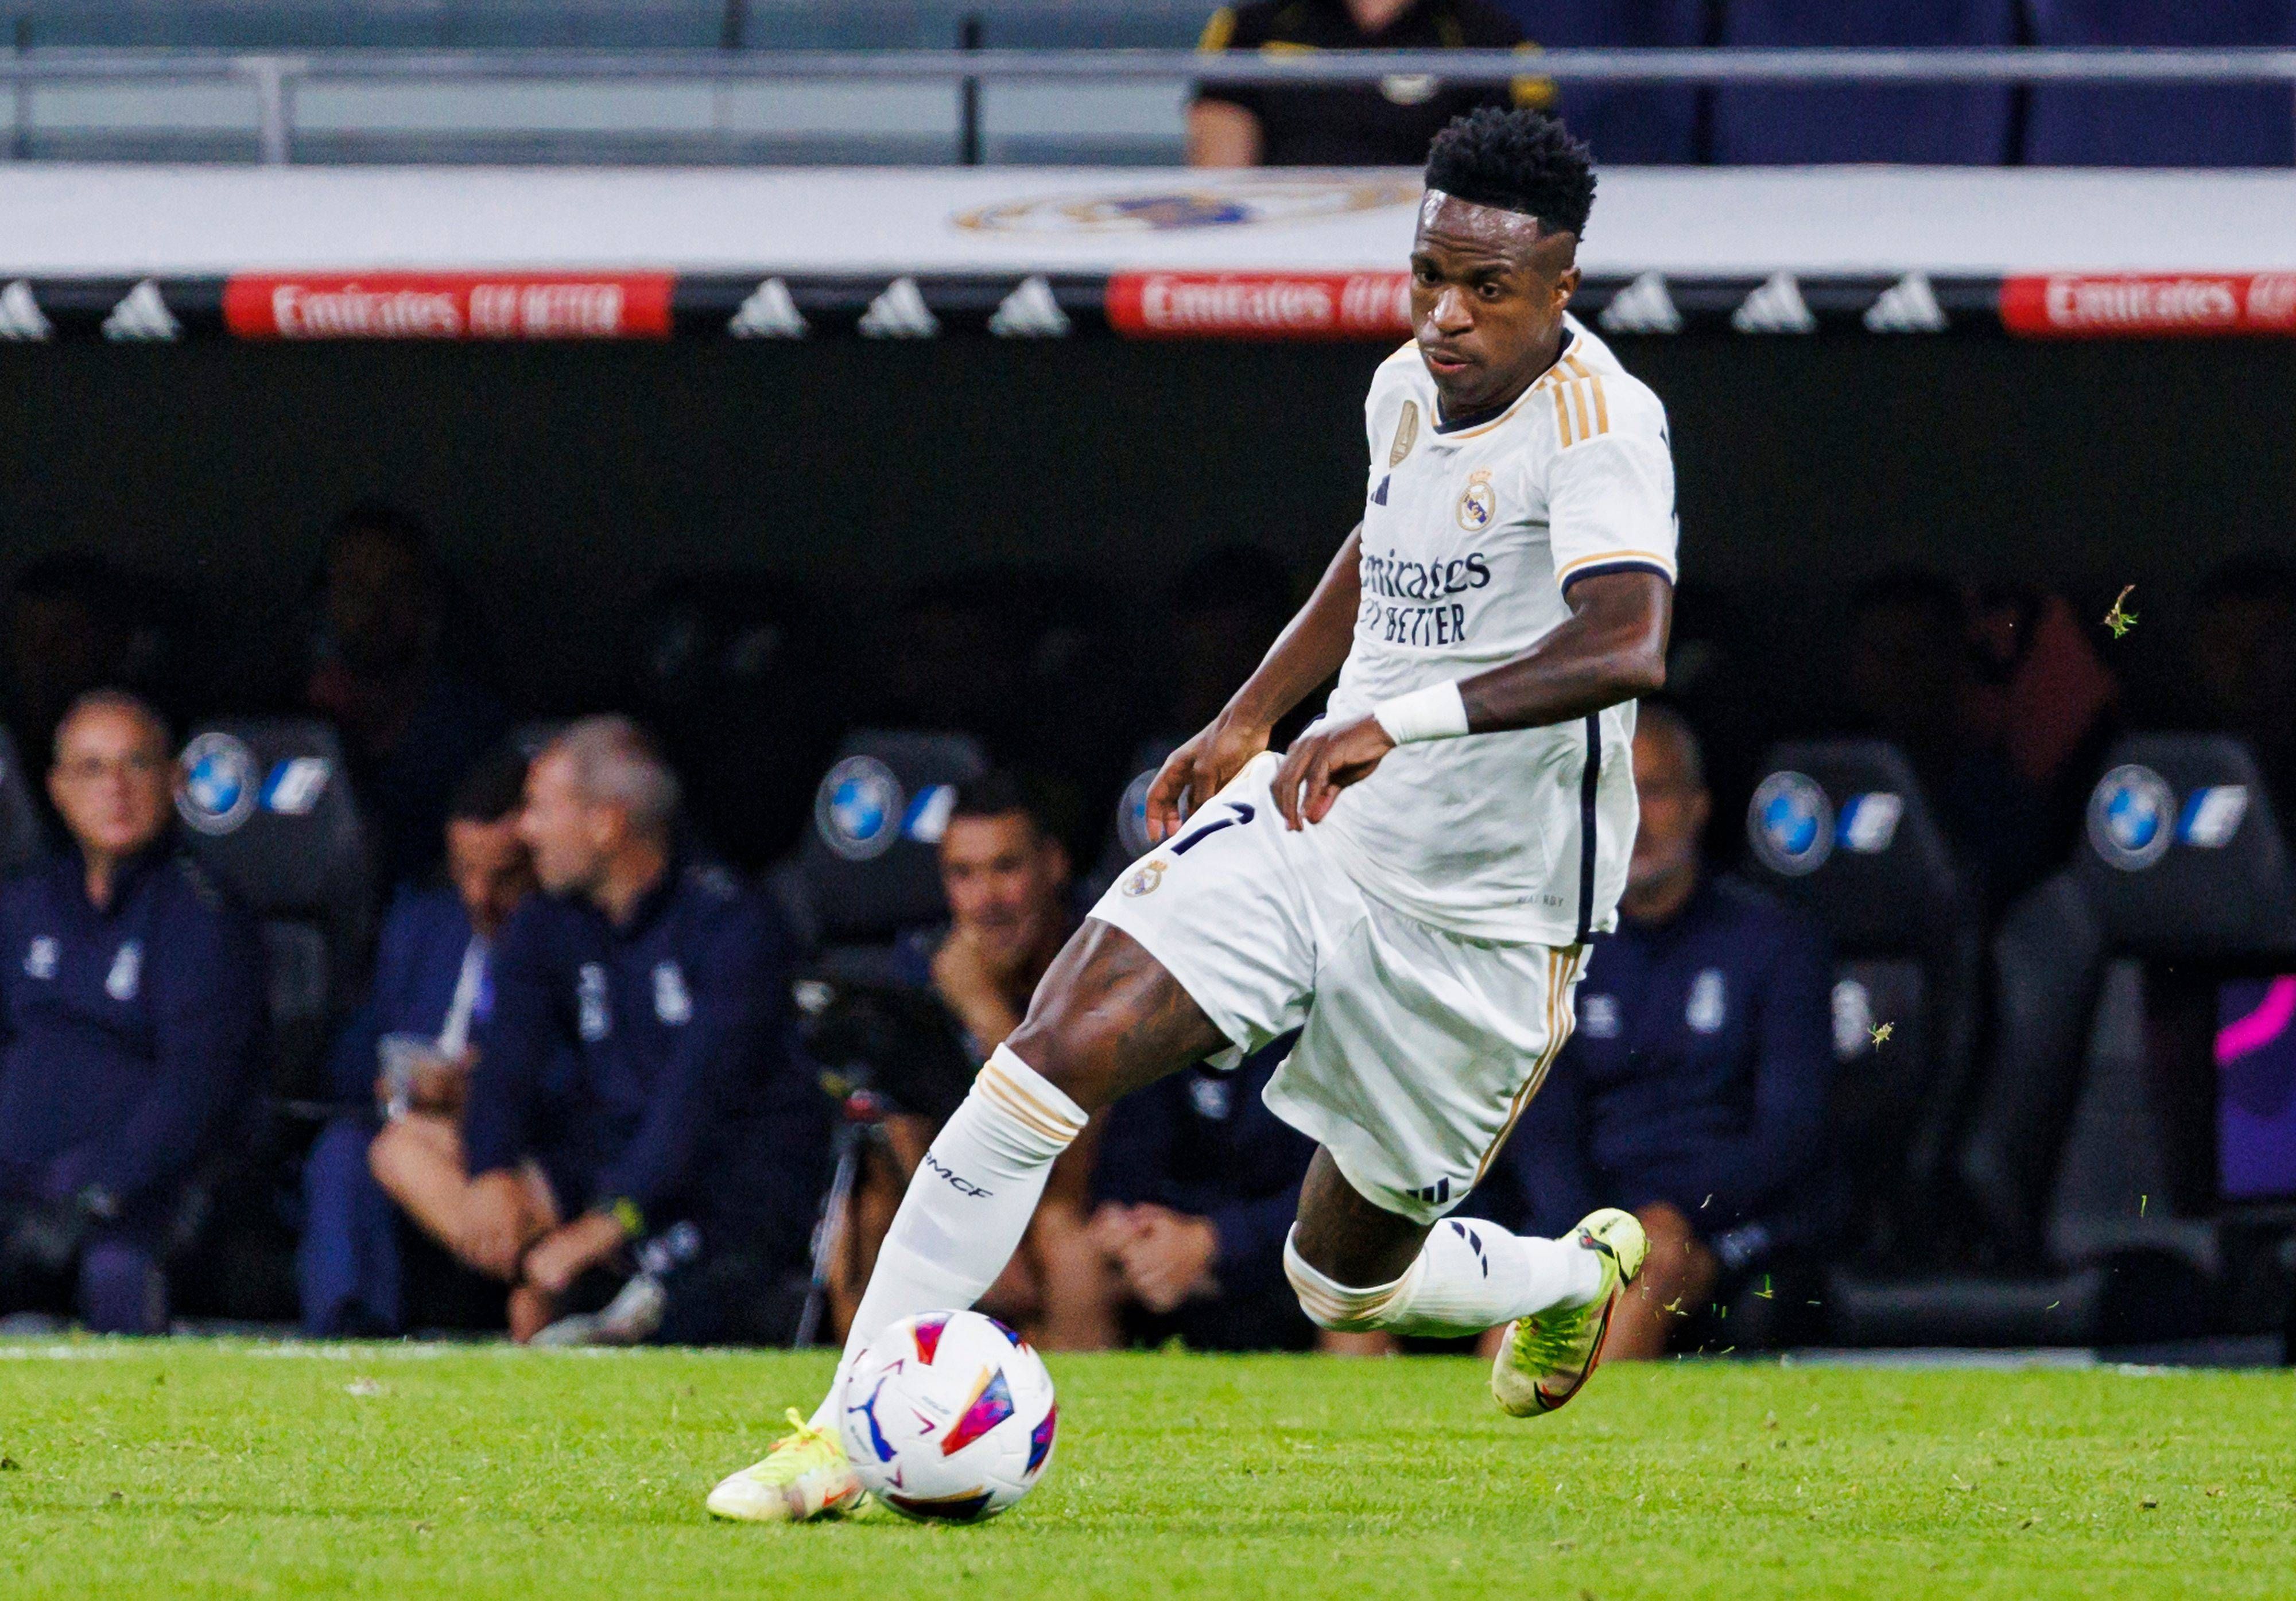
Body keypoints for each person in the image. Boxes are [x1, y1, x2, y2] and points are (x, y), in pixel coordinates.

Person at [711, 105, 1678, 1522]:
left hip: (1486, 917)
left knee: (1337, 1274)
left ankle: (1564, 1273)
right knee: (1045, 1055)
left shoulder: (1606, 424)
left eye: (1488, 288)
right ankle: (843, 1440)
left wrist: (1384, 720)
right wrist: (1253, 712)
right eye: (1427, 274)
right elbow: (1383, 536)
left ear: (1561, 288)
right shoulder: (1405, 385)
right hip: (1321, 828)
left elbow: (1625, 639)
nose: (1446, 315)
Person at [370, 717, 821, 1344]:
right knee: (401, 1149)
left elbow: (696, 1104)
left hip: (717, 1176)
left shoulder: (730, 924)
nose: (525, 829)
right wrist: (493, 1170)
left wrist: (610, 1223)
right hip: (598, 1159)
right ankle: (560, 1282)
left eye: (540, 808)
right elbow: (506, 1065)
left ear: (605, 823)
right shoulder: (550, 920)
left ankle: (593, 1291)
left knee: (564, 1293)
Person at [1497, 705, 1834, 1361]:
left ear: (1699, 805)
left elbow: (1791, 1131)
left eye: (1655, 791)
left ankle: (1557, 1453)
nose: (1637, 819)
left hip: (1728, 1221)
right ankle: (1488, 1450)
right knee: (1531, 1279)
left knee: (1651, 1267)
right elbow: (1541, 1123)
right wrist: (1588, 1228)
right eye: (1615, 794)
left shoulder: (1775, 942)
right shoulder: (1559, 951)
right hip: (1598, 1213)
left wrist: (1678, 1211)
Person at [0, 691, 263, 1333]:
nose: (114, 788)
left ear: (174, 781)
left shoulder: (201, 914)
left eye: (135, 765)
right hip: (17, 1183)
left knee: (115, 1267)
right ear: (57, 788)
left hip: (143, 1192)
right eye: (91, 769)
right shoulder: (25, 903)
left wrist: (96, 1188)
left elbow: (195, 1090)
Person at [827, 774, 1101, 1347]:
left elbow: (1074, 1165)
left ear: (1052, 865)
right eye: (963, 874)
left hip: (1082, 1205)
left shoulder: (1096, 967)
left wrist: (983, 1008)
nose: (987, 901)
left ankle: (1080, 1424)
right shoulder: (921, 969)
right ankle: (870, 1411)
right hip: (961, 1204)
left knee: (1063, 1242)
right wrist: (964, 1243)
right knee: (859, 1220)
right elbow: (901, 1123)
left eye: (1006, 868)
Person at [296, 745, 538, 1336]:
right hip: (415, 1129)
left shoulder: (557, 937)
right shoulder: (423, 923)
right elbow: (357, 1047)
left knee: (400, 1150)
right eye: (465, 873)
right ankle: (350, 1335)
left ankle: (545, 1286)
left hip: (517, 1141)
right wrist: (386, 1078)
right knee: (346, 1150)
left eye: (503, 875)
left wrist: (477, 1088)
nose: (479, 895)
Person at [1072, 1043, 1349, 1353]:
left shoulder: (1316, 1038)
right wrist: (1126, 1223)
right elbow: (1126, 1165)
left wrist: (1212, 1241)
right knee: (1076, 1258)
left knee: (1356, 1265)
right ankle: (1080, 1399)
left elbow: (1341, 1195)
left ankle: (1352, 1398)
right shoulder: (1164, 1032)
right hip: (1165, 1247)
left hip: (1284, 1257)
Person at [304, 501, 507, 891]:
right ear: (326, 603)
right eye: (355, 587)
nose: (373, 609)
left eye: (394, 587)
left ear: (427, 602)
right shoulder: (291, 725)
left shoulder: (473, 735)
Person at [1190, 0, 1540, 168]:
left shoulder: (1489, 36)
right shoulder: (1252, 26)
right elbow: (1221, 182)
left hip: (1429, 260)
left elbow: (1509, 190)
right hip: (1283, 254)